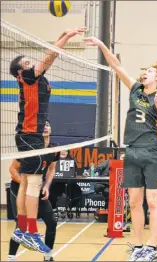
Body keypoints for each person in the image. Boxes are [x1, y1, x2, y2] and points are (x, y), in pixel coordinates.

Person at [84, 37, 157, 261]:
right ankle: (139, 246)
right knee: (133, 201)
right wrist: (102, 44)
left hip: (152, 152)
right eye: (145, 71)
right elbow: (116, 65)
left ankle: (152, 247)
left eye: (150, 71)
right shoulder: (135, 89)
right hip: (132, 151)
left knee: (152, 201)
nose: (145, 73)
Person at [9, 26, 86, 253]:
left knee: (25, 183)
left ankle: (22, 229)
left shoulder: (35, 77)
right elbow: (50, 55)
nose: (29, 62)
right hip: (30, 135)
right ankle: (31, 232)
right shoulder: (29, 77)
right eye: (25, 62)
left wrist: (63, 34)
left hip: (27, 135)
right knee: (32, 184)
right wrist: (68, 38)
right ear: (19, 71)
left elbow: (48, 53)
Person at [8, 121, 60, 261]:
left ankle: (47, 255)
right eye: (42, 124)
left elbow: (51, 169)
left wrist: (46, 186)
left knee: (52, 222)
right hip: (20, 187)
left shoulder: (54, 149)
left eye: (48, 124)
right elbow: (12, 169)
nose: (45, 126)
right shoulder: (29, 148)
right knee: (21, 226)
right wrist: (26, 183)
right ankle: (11, 257)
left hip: (36, 187)